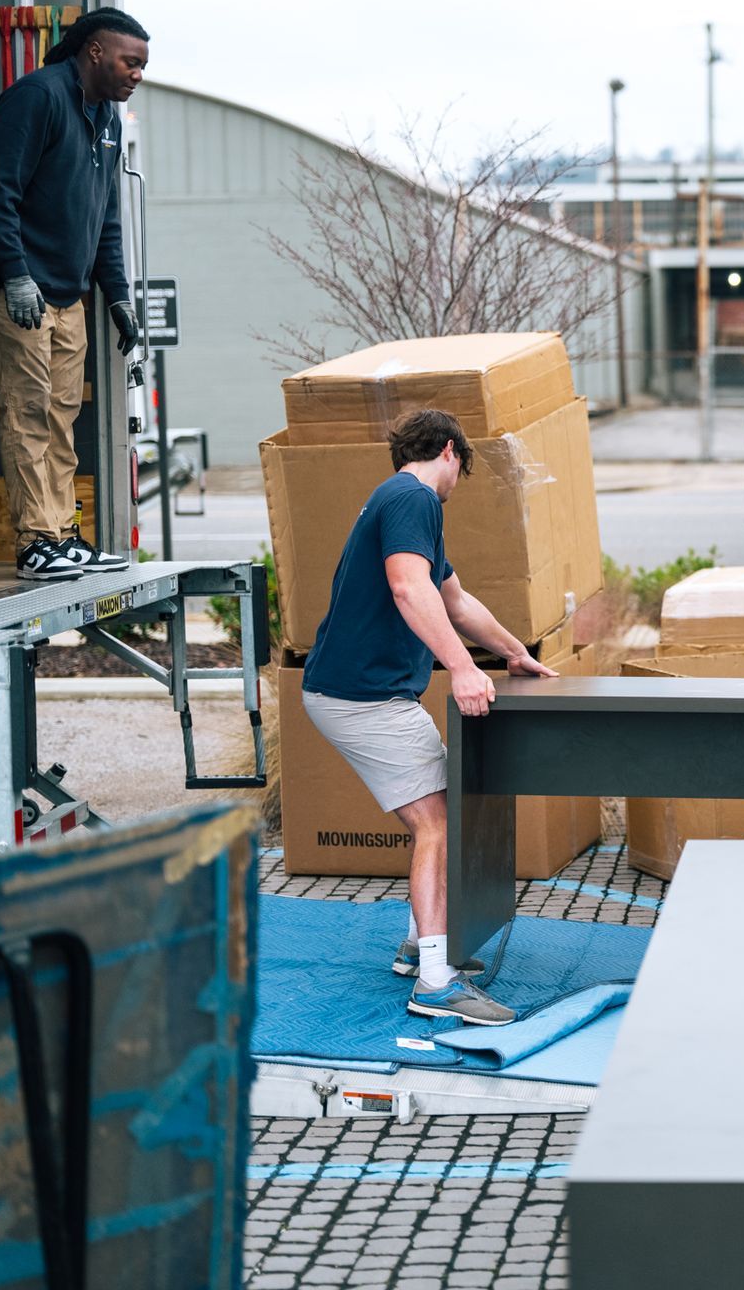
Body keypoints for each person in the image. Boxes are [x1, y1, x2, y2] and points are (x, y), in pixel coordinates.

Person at [302, 408, 557, 1026]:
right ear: (450, 451)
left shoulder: (397, 500)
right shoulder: (415, 498)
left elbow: (453, 599)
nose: (456, 481)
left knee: (441, 815)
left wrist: (513, 653)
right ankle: (435, 983)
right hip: (365, 696)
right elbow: (407, 587)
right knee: (437, 825)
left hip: (355, 691)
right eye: (461, 470)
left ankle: (421, 943)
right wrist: (463, 670)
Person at [0, 7, 150, 582]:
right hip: (12, 282)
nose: (137, 73)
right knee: (27, 409)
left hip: (67, 291)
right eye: (130, 61)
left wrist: (117, 295)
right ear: (95, 52)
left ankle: (63, 532)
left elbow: (105, 217)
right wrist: (16, 274)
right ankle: (36, 540)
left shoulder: (109, 118)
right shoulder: (37, 98)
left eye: (143, 64)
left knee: (63, 413)